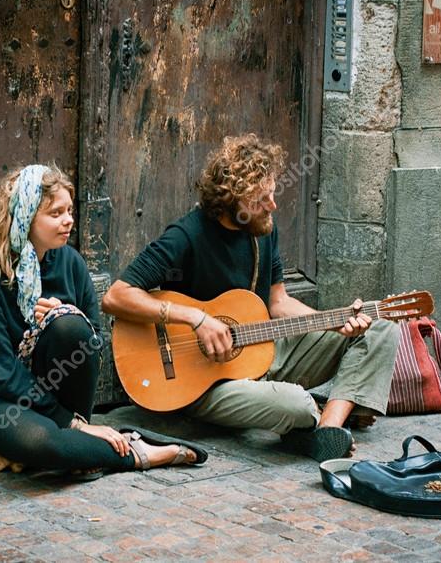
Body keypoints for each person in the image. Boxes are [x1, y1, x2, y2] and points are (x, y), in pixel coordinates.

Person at [102, 135, 400, 462]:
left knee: (381, 327)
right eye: (261, 199)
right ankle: (309, 417)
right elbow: (116, 297)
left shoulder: (263, 231)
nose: (273, 204)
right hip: (205, 384)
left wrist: (334, 323)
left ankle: (328, 427)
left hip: (261, 352)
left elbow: (278, 303)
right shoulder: (187, 236)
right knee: (297, 404)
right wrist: (195, 318)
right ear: (233, 200)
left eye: (272, 193)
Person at [0, 164, 206, 475]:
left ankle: (82, 443)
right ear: (26, 214)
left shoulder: (71, 263)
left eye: (69, 210)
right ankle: (139, 451)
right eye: (56, 213)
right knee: (41, 444)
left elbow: (94, 341)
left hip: (55, 392)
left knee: (70, 323)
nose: (68, 220)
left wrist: (62, 318)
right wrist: (67, 421)